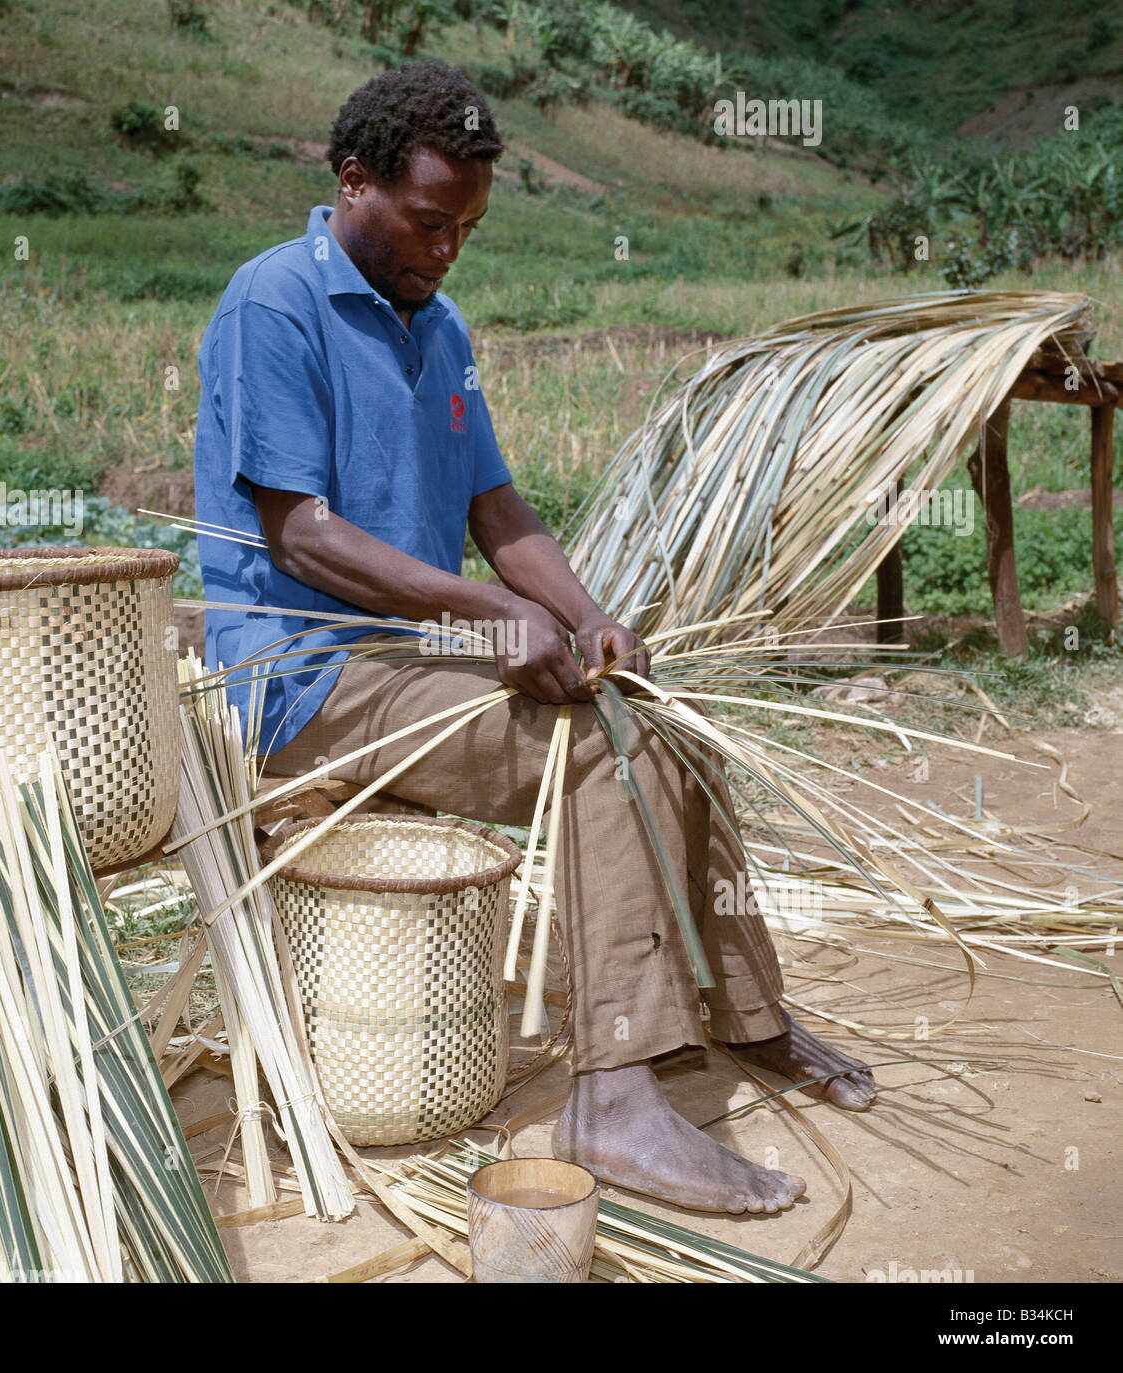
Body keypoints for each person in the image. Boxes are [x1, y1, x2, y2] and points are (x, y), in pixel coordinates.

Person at [193, 60, 875, 1215]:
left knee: (668, 724)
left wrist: (585, 613)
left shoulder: (437, 322)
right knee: (609, 752)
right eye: (427, 220)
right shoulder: (274, 304)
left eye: (466, 226)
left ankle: (743, 1015)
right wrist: (484, 612)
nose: (447, 247)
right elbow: (300, 536)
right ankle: (611, 1094)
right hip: (305, 675)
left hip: (411, 657)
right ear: (352, 183)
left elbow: (496, 512)